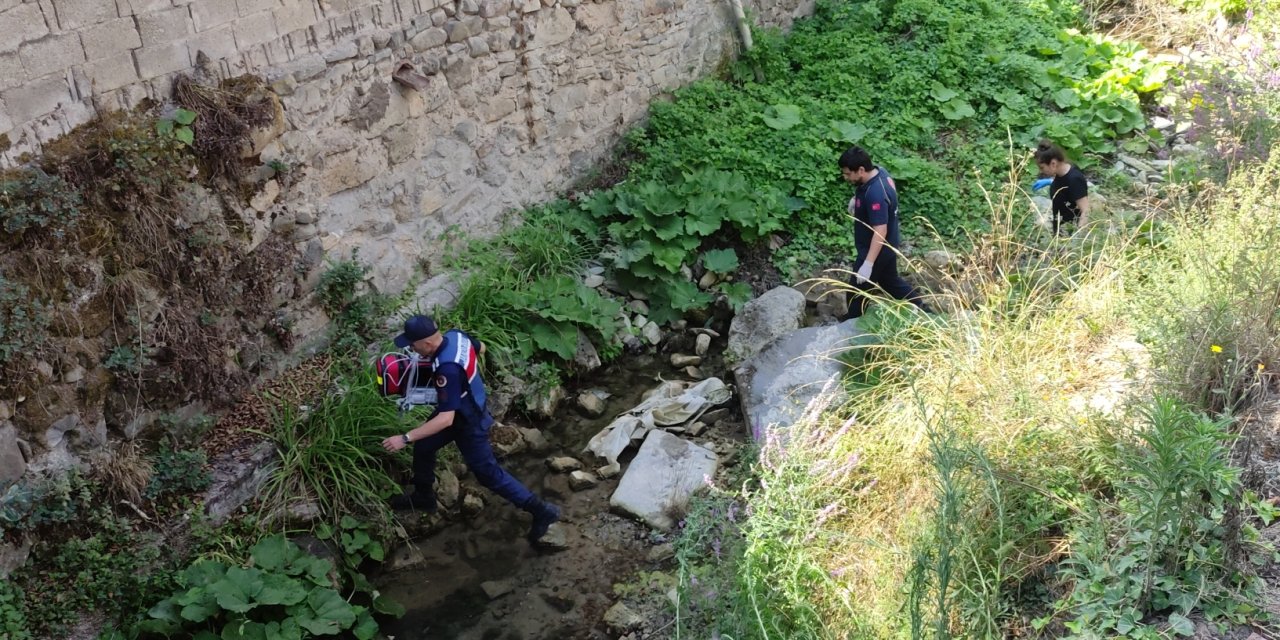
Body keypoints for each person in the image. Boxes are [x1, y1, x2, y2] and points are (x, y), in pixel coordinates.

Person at [380, 314, 561, 543]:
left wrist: (404, 438)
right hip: (463, 405)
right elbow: (481, 348)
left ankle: (542, 511)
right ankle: (424, 496)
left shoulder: (447, 369)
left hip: (467, 420)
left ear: (427, 343)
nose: (412, 349)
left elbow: (445, 419)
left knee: (489, 475)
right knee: (424, 445)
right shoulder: (456, 337)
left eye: (413, 344)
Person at [838, 146, 929, 320]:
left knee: (856, 291)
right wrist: (857, 200)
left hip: (877, 248)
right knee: (890, 282)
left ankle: (852, 325)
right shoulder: (880, 172)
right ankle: (925, 311)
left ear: (861, 170)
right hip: (890, 243)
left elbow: (880, 230)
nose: (846, 177)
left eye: (848, 174)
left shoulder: (875, 194)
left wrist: (868, 264)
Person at [1033, 140, 1089, 234]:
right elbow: (1066, 186)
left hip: (1070, 230)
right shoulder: (1061, 172)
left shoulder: (1074, 179)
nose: (1041, 171)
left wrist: (1077, 238)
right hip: (1059, 226)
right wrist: (1051, 182)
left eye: (1042, 167)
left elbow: (1086, 210)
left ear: (1053, 164)